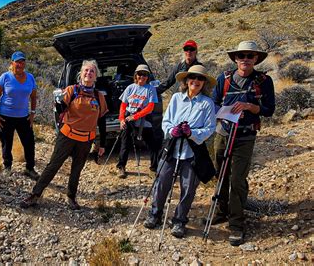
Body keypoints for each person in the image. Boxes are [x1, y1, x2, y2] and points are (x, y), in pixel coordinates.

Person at [20, 59, 108, 210]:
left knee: (77, 169)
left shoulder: (99, 96)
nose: (89, 73)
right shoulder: (71, 90)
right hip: (67, 136)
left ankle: (71, 197)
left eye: (92, 71)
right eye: (86, 70)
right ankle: (35, 194)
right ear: (81, 74)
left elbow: (102, 121)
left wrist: (102, 144)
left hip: (85, 140)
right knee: (53, 165)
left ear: (96, 76)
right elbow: (61, 110)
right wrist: (59, 102)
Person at [212, 41, 275, 246]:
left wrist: (249, 106)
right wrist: (218, 115)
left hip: (245, 136)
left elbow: (268, 110)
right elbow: (214, 102)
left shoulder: (264, 81)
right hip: (223, 133)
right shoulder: (224, 78)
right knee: (221, 173)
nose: (245, 59)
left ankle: (236, 224)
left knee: (238, 179)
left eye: (250, 56)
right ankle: (221, 211)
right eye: (241, 56)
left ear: (256, 58)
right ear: (235, 59)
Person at [144, 65, 216, 239]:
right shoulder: (176, 98)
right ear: (186, 80)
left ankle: (179, 221)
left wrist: (192, 133)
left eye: (200, 79)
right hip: (172, 148)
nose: (196, 81)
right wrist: (172, 131)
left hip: (193, 152)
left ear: (204, 83)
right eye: (193, 77)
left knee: (188, 188)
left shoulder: (207, 104)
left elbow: (210, 128)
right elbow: (166, 121)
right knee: (162, 182)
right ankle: (155, 214)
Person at [0, 51, 39, 179]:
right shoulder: (5, 77)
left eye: (22, 61)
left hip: (23, 117)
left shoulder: (30, 78)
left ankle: (30, 168)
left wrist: (32, 114)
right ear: (12, 63)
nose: (20, 64)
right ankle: (7, 167)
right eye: (17, 61)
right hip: (5, 116)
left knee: (29, 142)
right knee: (7, 143)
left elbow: (34, 97)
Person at [116, 64, 161, 178]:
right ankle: (121, 167)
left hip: (144, 120)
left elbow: (150, 107)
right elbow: (123, 105)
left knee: (152, 145)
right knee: (125, 144)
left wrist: (136, 116)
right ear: (136, 75)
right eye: (140, 74)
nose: (142, 76)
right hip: (128, 118)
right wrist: (121, 119)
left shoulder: (150, 89)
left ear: (147, 76)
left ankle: (153, 168)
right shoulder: (130, 88)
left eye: (145, 74)